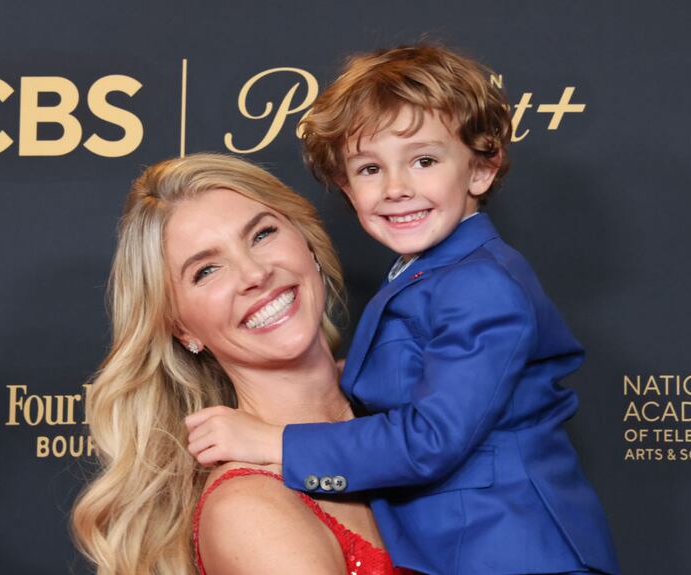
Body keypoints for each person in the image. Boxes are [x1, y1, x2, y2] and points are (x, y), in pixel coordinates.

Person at [185, 44, 620, 574]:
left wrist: (276, 442)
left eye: (424, 160)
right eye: (370, 169)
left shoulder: (480, 285)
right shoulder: (431, 273)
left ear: (481, 169)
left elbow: (433, 439)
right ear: (346, 189)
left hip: (512, 550)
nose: (396, 188)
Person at [71, 153, 415, 575]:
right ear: (182, 328)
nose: (253, 273)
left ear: (308, 245)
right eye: (207, 270)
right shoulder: (248, 508)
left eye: (262, 234)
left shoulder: (414, 408)